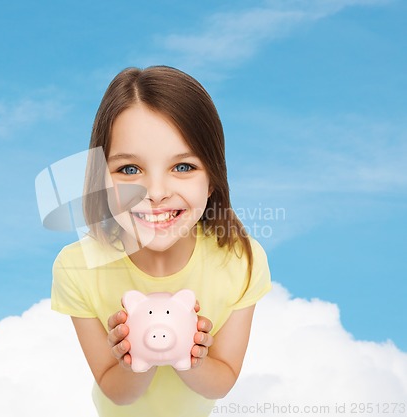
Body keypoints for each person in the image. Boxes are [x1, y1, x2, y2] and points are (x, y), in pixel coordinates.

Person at [51, 65, 272, 417]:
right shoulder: (77, 267)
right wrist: (135, 358)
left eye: (183, 167)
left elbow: (223, 380)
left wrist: (189, 356)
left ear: (212, 177)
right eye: (129, 169)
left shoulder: (240, 261)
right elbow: (116, 393)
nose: (155, 193)